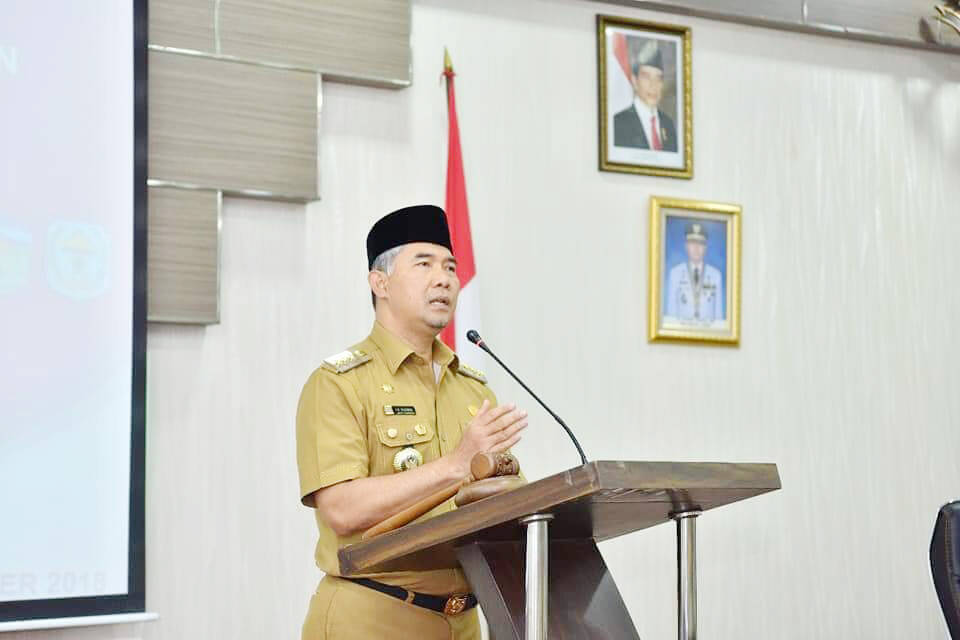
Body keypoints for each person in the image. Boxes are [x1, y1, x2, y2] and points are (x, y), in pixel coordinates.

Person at [296, 204, 528, 639]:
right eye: (424, 264)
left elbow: (498, 501)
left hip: (465, 620)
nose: (444, 279)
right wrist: (456, 465)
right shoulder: (338, 384)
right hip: (373, 617)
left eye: (450, 267)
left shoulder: (473, 389)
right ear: (380, 283)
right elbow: (342, 510)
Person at [612, 40, 678, 152]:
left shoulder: (668, 124)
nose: (653, 85)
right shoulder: (619, 123)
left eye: (658, 78)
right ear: (634, 81)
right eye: (647, 77)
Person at [665, 222, 723, 323]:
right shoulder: (675, 273)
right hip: (682, 330)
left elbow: (719, 316)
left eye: (700, 243)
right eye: (692, 242)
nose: (696, 248)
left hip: (708, 330)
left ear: (705, 247)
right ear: (686, 246)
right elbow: (671, 313)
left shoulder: (715, 275)